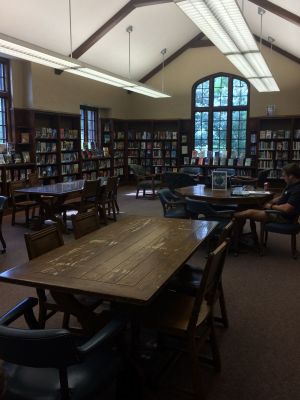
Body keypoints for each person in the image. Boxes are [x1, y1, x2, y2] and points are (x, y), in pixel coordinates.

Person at [233, 163, 300, 247]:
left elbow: (287, 208)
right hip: (276, 210)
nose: (283, 178)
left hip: (282, 216)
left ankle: (231, 217)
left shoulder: (297, 190)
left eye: (284, 176)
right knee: (245, 207)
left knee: (249, 212)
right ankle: (236, 235)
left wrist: (271, 206)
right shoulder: (291, 185)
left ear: (291, 176)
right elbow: (281, 198)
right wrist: (270, 202)